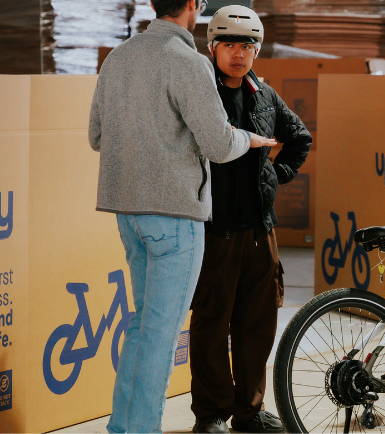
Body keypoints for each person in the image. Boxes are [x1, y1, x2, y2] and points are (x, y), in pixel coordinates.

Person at [88, 0, 278, 431]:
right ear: (193, 5)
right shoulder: (187, 61)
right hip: (174, 215)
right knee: (159, 333)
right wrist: (248, 139)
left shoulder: (119, 58)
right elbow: (217, 143)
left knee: (142, 326)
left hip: (127, 211)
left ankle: (124, 427)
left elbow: (96, 135)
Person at [189, 5, 312, 433]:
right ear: (213, 47)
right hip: (213, 229)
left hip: (261, 231)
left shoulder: (264, 93)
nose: (239, 54)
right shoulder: (200, 91)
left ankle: (249, 411)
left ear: (256, 50)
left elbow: (299, 138)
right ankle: (210, 415)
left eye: (247, 45)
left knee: (256, 326)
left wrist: (274, 176)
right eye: (229, 45)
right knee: (210, 325)